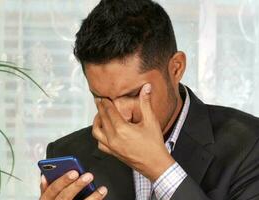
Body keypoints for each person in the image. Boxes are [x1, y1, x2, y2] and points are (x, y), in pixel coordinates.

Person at [39, 0, 259, 199]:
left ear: (176, 68)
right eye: (102, 98)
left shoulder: (250, 146)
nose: (121, 115)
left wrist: (160, 168)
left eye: (133, 94)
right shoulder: (69, 154)